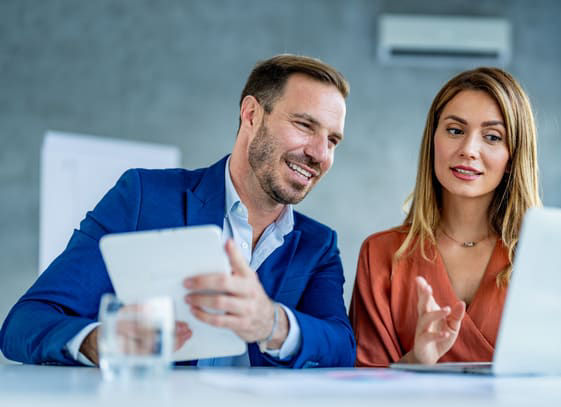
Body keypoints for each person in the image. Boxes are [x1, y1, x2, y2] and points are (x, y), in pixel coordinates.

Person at [0, 54, 355, 368]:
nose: (320, 154)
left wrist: (272, 324)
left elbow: (342, 346)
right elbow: (25, 323)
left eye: (333, 140)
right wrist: (102, 341)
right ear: (251, 114)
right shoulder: (143, 198)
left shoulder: (318, 245)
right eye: (304, 125)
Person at [349, 67, 541, 366]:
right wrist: (418, 360)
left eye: (492, 137)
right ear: (432, 141)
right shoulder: (380, 255)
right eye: (455, 130)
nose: (468, 150)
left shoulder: (541, 257)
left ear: (512, 156)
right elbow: (367, 389)